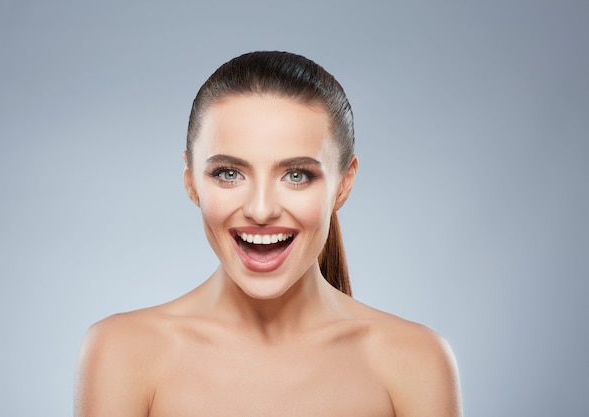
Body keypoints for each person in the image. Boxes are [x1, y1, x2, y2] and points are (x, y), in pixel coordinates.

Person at [74, 51, 462, 417]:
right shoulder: (122, 351)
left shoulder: (415, 360)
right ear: (191, 181)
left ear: (344, 184)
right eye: (229, 173)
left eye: (297, 175)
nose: (261, 210)